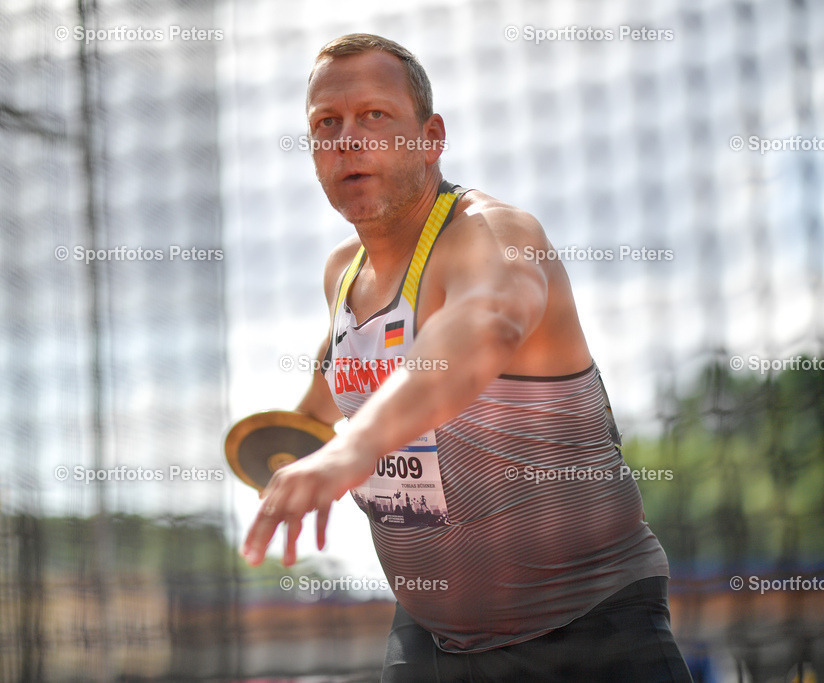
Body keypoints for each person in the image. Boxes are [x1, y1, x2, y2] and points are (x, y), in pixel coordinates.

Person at [242, 33, 692, 682]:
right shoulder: (342, 274)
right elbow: (343, 355)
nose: (347, 137)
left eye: (374, 115)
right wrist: (297, 430)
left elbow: (485, 324)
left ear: (430, 137)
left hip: (589, 624)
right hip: (433, 639)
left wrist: (353, 447)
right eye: (325, 124)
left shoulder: (496, 234)